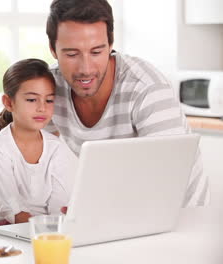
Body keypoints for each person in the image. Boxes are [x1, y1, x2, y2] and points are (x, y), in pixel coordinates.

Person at [45, 0, 209, 206]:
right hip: (116, 211)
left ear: (111, 45)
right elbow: (34, 154)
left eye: (96, 52)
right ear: (53, 49)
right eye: (71, 54)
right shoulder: (49, 88)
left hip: (182, 214)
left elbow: (168, 179)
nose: (86, 68)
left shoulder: (147, 88)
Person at [0, 59, 76, 231]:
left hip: (45, 229)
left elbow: (59, 208)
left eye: (49, 100)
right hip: (2, 230)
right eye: (32, 100)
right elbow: (12, 211)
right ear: (9, 103)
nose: (42, 108)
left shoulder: (56, 148)